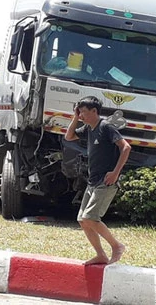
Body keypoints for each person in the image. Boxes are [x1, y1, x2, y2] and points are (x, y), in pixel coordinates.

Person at [65, 96, 131, 265]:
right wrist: (75, 117)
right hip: (93, 181)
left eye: (84, 112)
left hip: (106, 181)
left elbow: (126, 147)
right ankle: (100, 255)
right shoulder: (88, 129)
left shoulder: (105, 127)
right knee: (83, 220)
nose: (81, 116)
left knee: (90, 218)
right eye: (80, 113)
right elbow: (69, 136)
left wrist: (115, 172)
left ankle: (117, 246)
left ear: (95, 111)